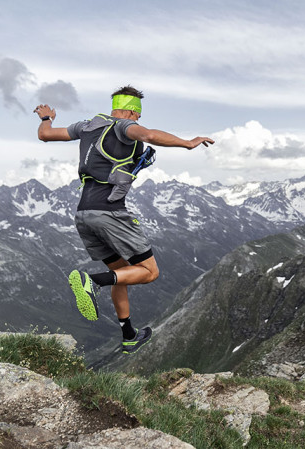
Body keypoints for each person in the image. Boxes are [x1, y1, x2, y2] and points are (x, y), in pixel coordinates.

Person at [34, 85, 214, 354]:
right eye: (137, 115)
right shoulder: (123, 127)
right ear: (131, 111)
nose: (138, 120)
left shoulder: (87, 127)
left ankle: (129, 334)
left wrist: (46, 118)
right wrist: (188, 143)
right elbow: (150, 135)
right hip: (110, 213)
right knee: (149, 272)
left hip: (84, 214)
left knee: (120, 273)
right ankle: (91, 282)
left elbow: (45, 135)